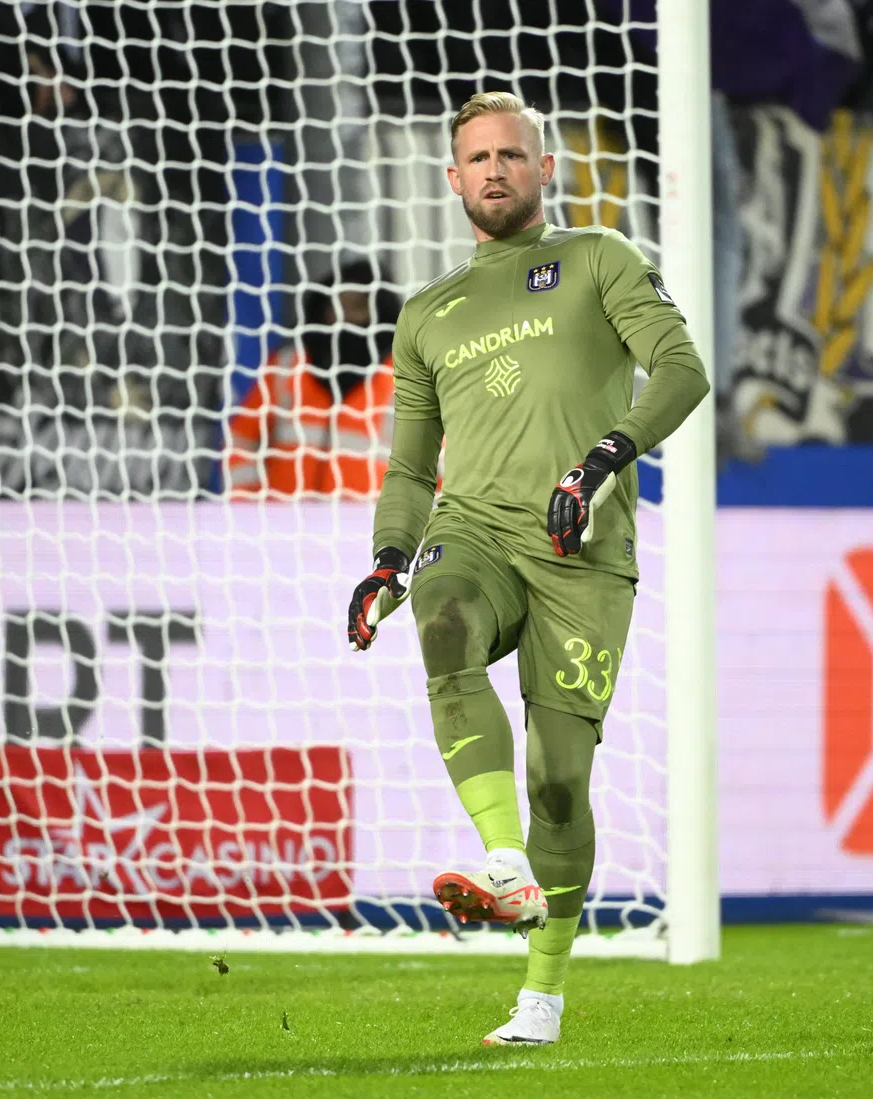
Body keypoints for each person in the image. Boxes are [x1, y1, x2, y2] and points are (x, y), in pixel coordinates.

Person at [346, 92, 708, 1046]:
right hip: (476, 532)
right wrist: (388, 560)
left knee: (560, 779)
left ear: (545, 170)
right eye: (478, 157)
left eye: (513, 152)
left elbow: (681, 369)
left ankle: (542, 995)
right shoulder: (427, 314)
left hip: (583, 554)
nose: (496, 168)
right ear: (454, 179)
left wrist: (602, 459)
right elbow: (412, 468)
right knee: (443, 617)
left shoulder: (600, 260)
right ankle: (502, 862)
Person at [226, 260, 401, 497]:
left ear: (379, 313)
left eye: (357, 306)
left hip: (367, 528)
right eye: (336, 305)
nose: (343, 317)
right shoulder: (286, 368)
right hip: (284, 524)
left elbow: (439, 467)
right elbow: (240, 440)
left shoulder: (405, 381)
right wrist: (249, 504)